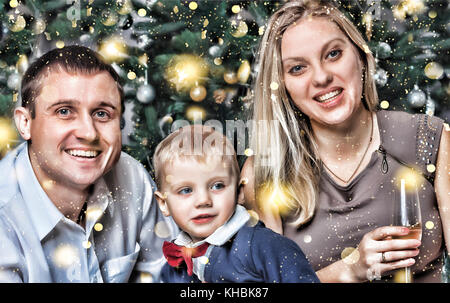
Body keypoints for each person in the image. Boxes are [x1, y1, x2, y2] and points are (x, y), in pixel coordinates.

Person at [241, 0, 449, 282]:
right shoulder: (265, 172)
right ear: (283, 87)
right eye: (298, 68)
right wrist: (350, 269)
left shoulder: (431, 140)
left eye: (333, 54)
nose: (322, 77)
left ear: (361, 56)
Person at [0, 45, 177, 282]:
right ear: (25, 123)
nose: (88, 133)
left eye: (102, 114)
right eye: (64, 111)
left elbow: (167, 274)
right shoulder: (4, 217)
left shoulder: (132, 178)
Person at [153, 125, 319, 283]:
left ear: (239, 192)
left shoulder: (263, 246)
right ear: (164, 203)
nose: (203, 200)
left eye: (217, 186)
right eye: (186, 190)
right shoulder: (175, 263)